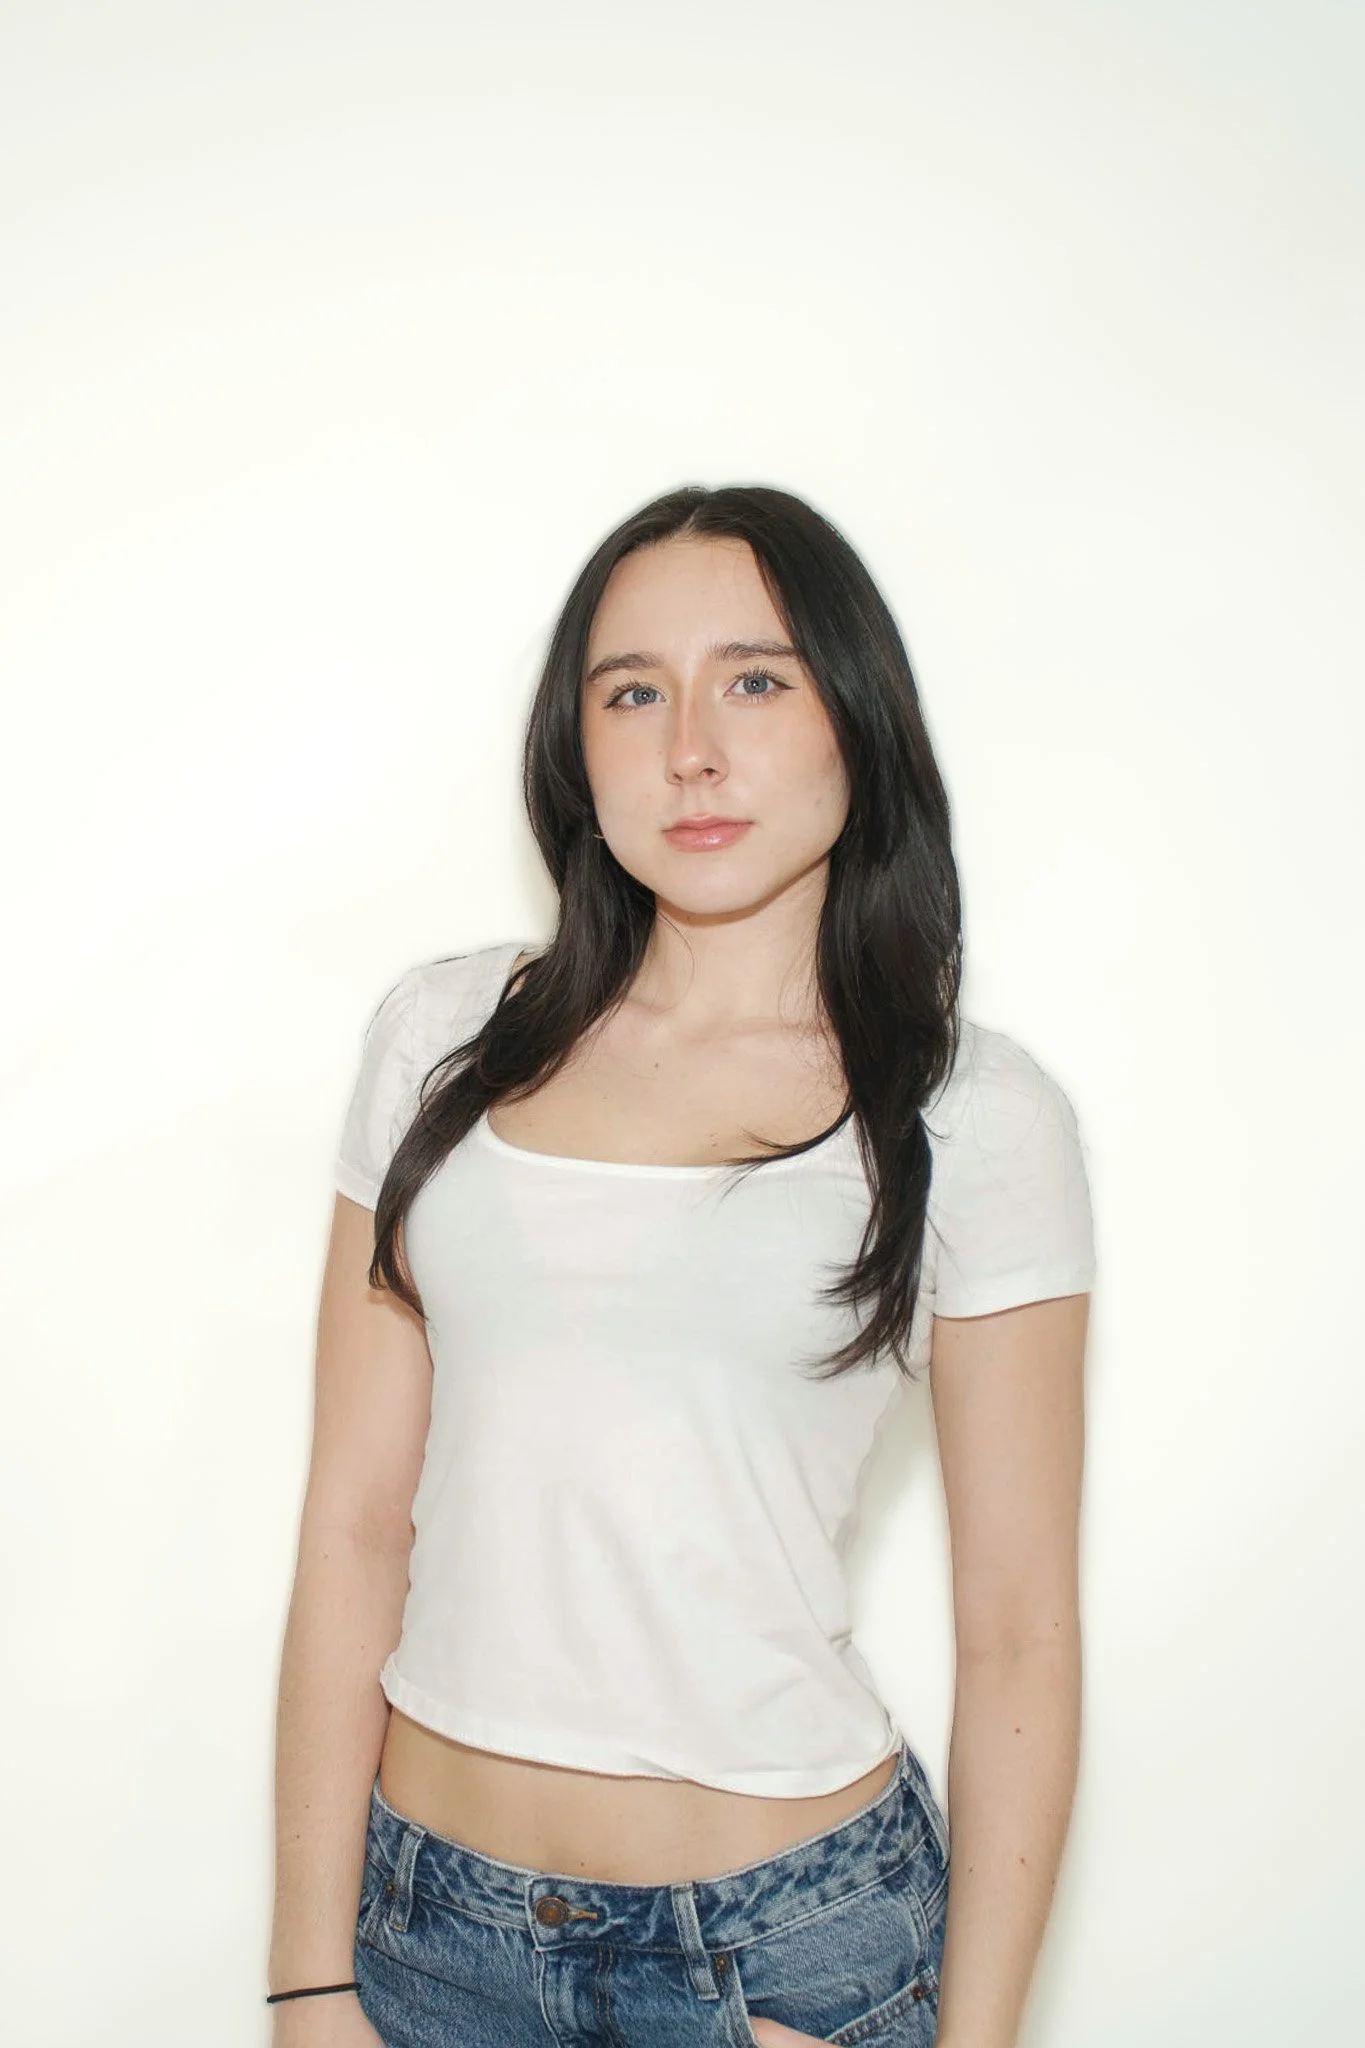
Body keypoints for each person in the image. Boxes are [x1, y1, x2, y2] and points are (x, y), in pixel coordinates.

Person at [267, 483, 1096, 2048]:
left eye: (756, 681)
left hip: (787, 1958)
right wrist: (310, 1980)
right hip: (429, 1940)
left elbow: (1018, 1629)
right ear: (575, 745)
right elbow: (355, 1523)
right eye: (633, 693)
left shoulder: (973, 1117)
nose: (692, 750)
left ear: (858, 717)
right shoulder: (445, 1043)